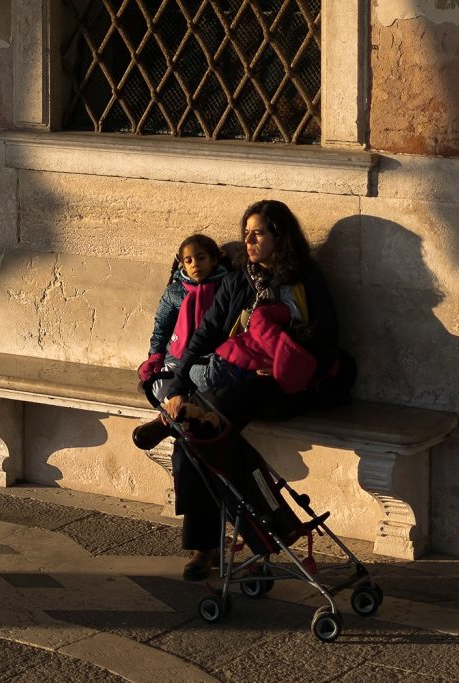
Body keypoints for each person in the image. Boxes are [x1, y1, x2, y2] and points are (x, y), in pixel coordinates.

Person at [140, 199, 355, 581]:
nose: (249, 241)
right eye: (246, 233)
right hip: (236, 377)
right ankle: (214, 545)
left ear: (280, 236)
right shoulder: (239, 279)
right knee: (197, 439)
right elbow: (204, 335)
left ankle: (227, 537)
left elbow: (327, 337)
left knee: (211, 420)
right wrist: (177, 386)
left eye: (258, 233)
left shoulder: (305, 278)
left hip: (291, 385)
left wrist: (284, 363)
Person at [135, 234, 229, 411]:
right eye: (189, 260)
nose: (195, 264)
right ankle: (177, 403)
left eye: (201, 258)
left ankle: (184, 402)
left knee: (205, 380)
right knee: (157, 390)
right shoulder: (174, 292)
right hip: (176, 357)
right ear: (183, 265)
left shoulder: (224, 288)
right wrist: (156, 356)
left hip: (205, 357)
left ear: (214, 260)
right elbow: (162, 327)